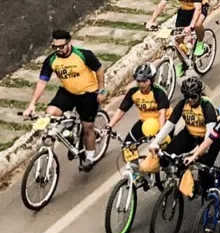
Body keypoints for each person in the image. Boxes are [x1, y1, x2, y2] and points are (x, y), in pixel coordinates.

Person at [23, 30, 106, 170]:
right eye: (55, 47)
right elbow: (42, 82)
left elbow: (99, 69)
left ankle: (90, 157)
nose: (58, 50)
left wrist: (102, 90)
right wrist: (32, 104)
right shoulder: (51, 60)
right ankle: (70, 135)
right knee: (51, 113)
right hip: (68, 92)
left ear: (69, 43)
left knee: (88, 127)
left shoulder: (83, 54)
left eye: (61, 46)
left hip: (88, 93)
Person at [145, 0, 210, 63]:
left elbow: (198, 9)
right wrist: (152, 20)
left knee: (197, 25)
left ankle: (200, 44)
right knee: (178, 39)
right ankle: (184, 62)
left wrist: (191, 26)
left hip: (200, 8)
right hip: (185, 10)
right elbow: (161, 4)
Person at [149, 76, 219, 164]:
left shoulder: (207, 106)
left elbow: (210, 133)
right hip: (190, 134)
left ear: (199, 94)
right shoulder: (183, 104)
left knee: (203, 168)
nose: (190, 99)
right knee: (166, 157)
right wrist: (156, 142)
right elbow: (170, 124)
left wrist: (197, 152)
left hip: (208, 137)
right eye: (187, 96)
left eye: (193, 96)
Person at [107, 63, 170, 143]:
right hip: (145, 122)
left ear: (151, 80)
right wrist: (109, 126)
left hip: (164, 122)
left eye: (144, 81)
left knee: (159, 149)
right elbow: (121, 110)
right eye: (138, 81)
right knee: (128, 145)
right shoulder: (133, 92)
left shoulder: (159, 92)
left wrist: (161, 132)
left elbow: (162, 114)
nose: (141, 84)